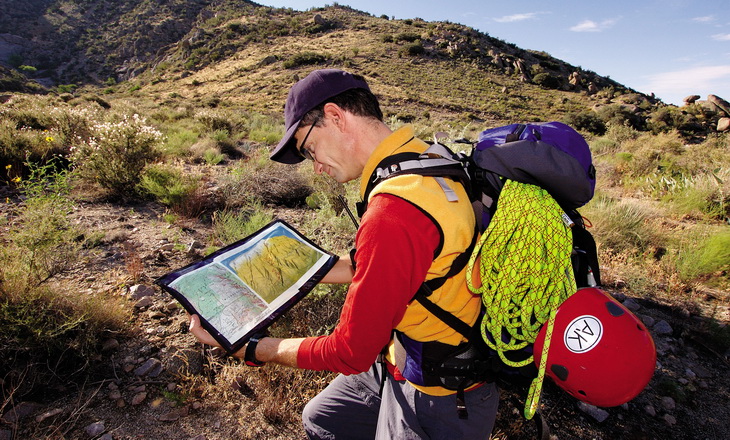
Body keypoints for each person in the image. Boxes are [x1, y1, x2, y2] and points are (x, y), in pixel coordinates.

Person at [189, 68, 498, 439]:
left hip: (437, 395)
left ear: (335, 116)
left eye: (309, 149)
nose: (316, 168)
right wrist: (287, 267)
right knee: (323, 419)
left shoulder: (394, 211)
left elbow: (350, 351)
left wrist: (254, 348)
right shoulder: (427, 159)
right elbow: (391, 267)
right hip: (402, 356)